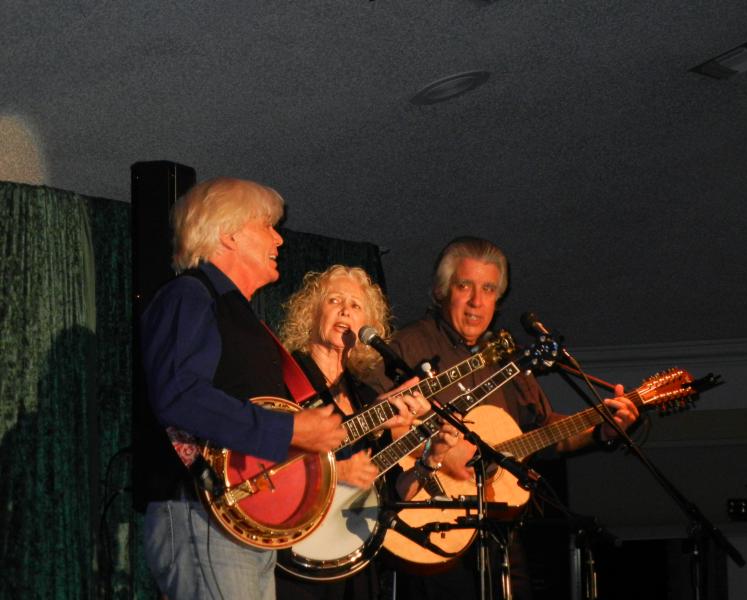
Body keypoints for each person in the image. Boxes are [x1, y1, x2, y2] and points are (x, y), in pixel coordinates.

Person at [138, 178, 422, 600]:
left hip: (246, 523)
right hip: (204, 514)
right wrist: (291, 430)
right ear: (230, 234)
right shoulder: (190, 295)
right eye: (267, 226)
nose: (279, 239)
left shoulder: (241, 318)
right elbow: (179, 395)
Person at [364, 236, 640, 599]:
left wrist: (600, 431)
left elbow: (542, 433)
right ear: (442, 291)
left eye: (489, 289)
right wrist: (440, 452)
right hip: (427, 525)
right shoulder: (407, 347)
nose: (477, 301)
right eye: (465, 286)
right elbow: (372, 422)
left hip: (498, 533)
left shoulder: (508, 360)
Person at [275, 265, 460, 600]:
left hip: (354, 558)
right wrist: (368, 420)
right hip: (296, 554)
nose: (346, 310)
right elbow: (276, 462)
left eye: (356, 305)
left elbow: (390, 491)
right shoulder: (285, 377)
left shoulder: (364, 394)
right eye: (334, 300)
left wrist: (430, 459)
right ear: (311, 313)